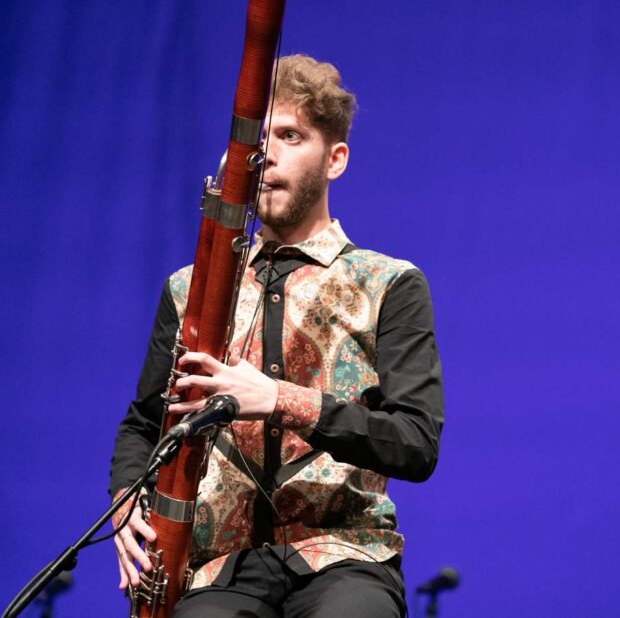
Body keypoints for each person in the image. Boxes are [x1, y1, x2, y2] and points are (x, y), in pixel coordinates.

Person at [109, 54, 444, 617]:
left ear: (335, 158)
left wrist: (279, 400)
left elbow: (415, 442)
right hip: (219, 569)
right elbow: (145, 423)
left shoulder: (390, 284)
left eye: (290, 135)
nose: (267, 154)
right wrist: (125, 503)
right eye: (259, 139)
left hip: (345, 555)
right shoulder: (191, 287)